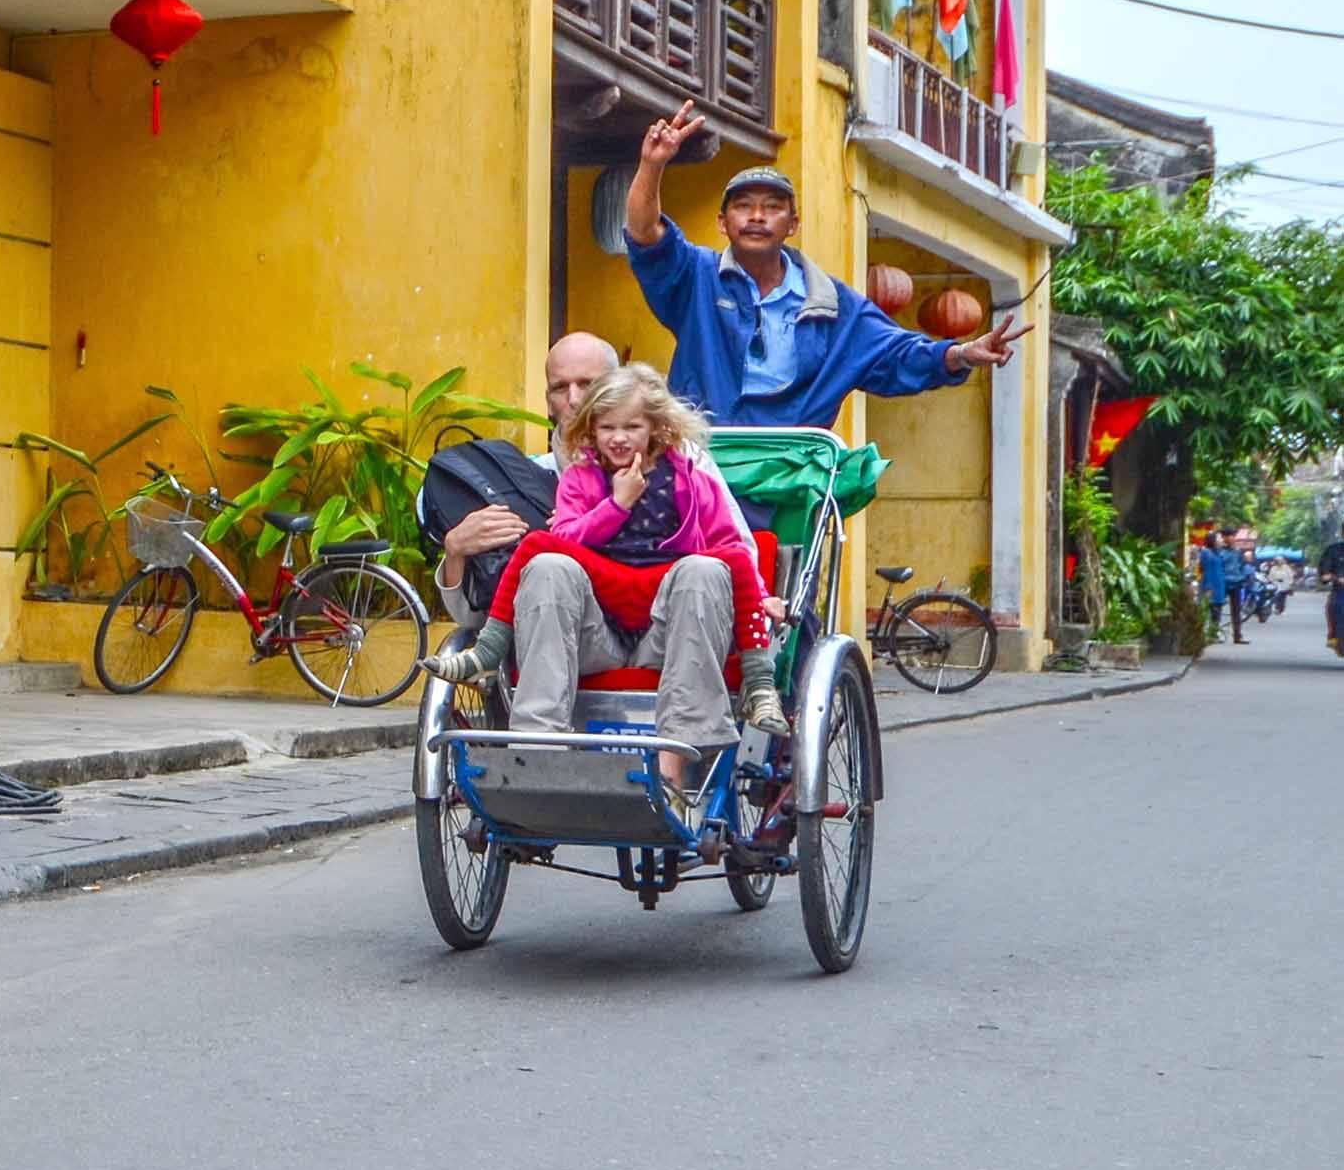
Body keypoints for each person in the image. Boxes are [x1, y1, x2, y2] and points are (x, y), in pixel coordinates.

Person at [424, 363, 778, 786]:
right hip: (590, 631)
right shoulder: (543, 476)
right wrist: (617, 505)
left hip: (670, 628)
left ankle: (673, 770)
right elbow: (564, 538)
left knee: (704, 569)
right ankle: (535, 754)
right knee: (546, 561)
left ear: (655, 428)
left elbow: (732, 545)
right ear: (590, 425)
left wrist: (757, 597)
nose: (619, 437)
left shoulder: (690, 476)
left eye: (585, 385)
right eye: (560, 387)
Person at [616, 103, 1025, 424]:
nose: (757, 216)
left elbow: (900, 355)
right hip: (702, 468)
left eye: (772, 208)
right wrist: (653, 165)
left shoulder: (833, 306)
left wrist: (963, 353)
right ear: (723, 223)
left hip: (791, 477)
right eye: (743, 207)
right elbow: (645, 235)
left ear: (793, 224)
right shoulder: (697, 278)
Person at [431, 331, 619, 630]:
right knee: (547, 568)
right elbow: (473, 620)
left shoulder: (676, 462)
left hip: (653, 638)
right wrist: (455, 551)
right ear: (548, 402)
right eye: (560, 387)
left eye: (588, 384)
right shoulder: (526, 483)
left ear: (621, 387)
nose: (574, 399)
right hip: (555, 642)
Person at [1318, 529, 1344, 655]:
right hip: (1340, 591)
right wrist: (1331, 577)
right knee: (1334, 607)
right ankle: (1335, 636)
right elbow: (1324, 573)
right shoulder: (1333, 551)